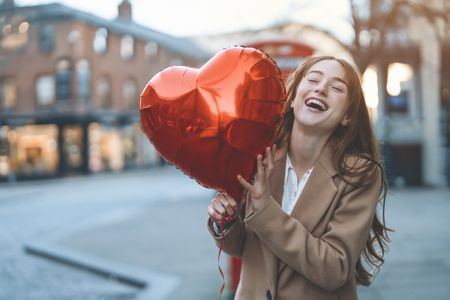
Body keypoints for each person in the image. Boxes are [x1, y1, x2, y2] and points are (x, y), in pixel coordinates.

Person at [207, 56, 392, 300]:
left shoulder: (360, 174)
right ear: (293, 99)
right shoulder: (258, 155)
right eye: (313, 79)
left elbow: (334, 268)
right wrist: (227, 221)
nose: (321, 88)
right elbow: (245, 247)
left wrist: (265, 210)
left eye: (337, 87)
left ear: (347, 116)